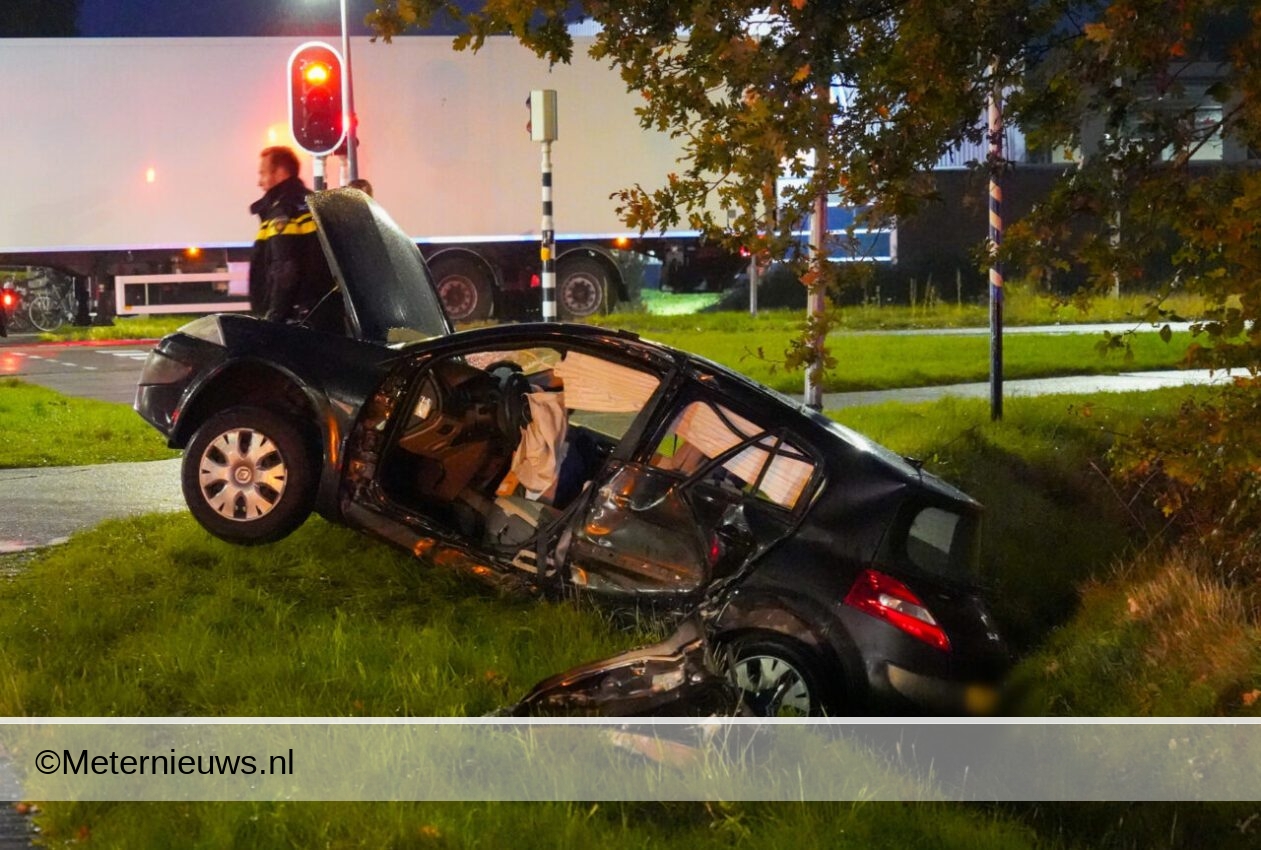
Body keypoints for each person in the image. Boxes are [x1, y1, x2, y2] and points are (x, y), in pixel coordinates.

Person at [248, 146, 339, 328]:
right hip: (324, 316)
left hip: (297, 320)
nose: (259, 182)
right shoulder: (313, 203)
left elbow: (285, 269)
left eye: (263, 173)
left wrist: (273, 320)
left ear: (280, 172)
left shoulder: (283, 210)